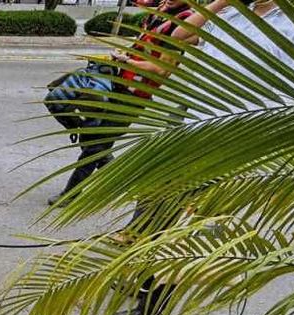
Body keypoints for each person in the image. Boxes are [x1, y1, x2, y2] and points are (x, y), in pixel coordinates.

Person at [106, 0, 294, 315]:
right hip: (195, 131)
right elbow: (180, 33)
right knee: (155, 209)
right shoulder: (233, 14)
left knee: (189, 228)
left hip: (241, 145)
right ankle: (142, 277)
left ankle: (152, 305)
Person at [46, 0, 194, 206]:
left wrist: (129, 62)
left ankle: (71, 193)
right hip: (115, 83)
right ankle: (111, 168)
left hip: (134, 95)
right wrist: (123, 57)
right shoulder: (160, 13)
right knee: (57, 102)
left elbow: (162, 69)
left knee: (95, 146)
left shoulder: (184, 23)